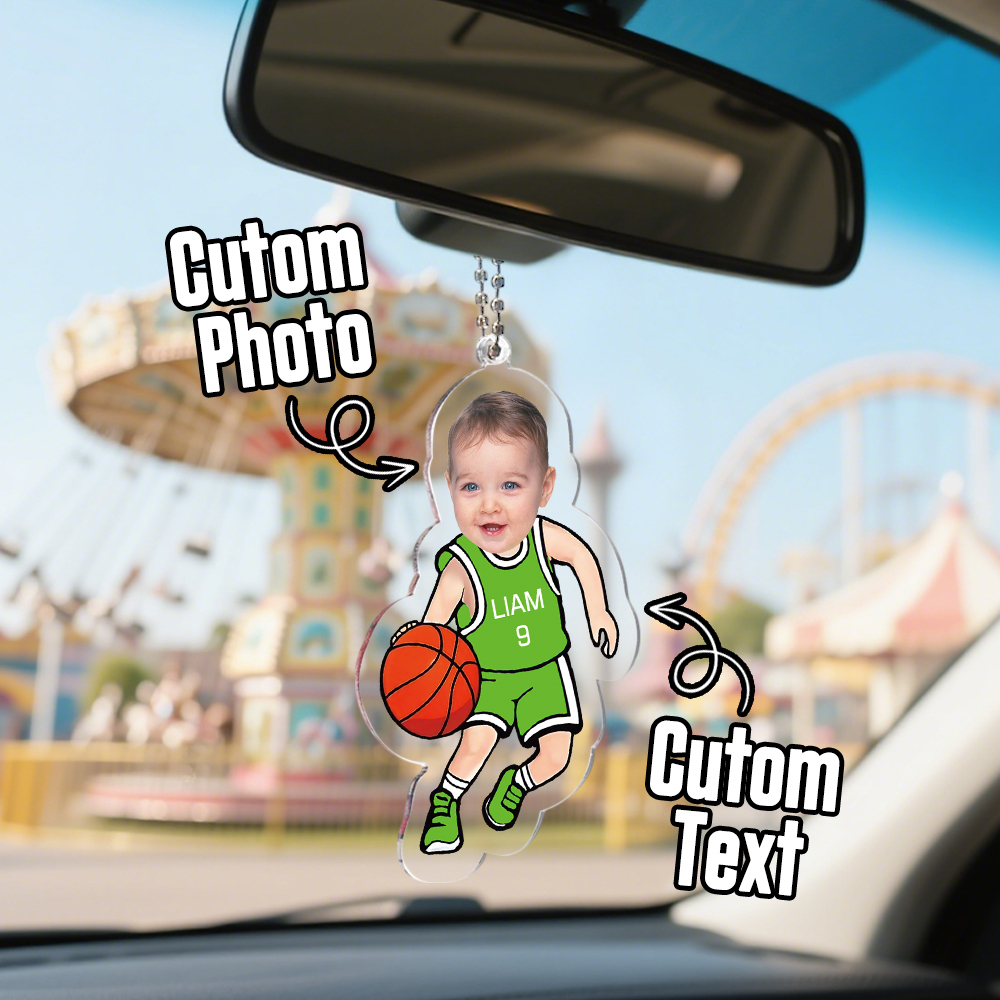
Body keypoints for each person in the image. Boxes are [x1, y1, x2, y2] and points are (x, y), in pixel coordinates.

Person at [393, 391, 618, 855]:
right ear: (449, 487)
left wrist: (599, 610)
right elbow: (433, 630)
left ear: (546, 487)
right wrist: (412, 648)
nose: (490, 505)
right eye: (471, 488)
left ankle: (515, 783)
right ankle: (444, 806)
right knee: (473, 748)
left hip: (544, 673)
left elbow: (582, 555)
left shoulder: (543, 538)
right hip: (488, 676)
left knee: (556, 756)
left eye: (510, 486)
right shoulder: (462, 567)